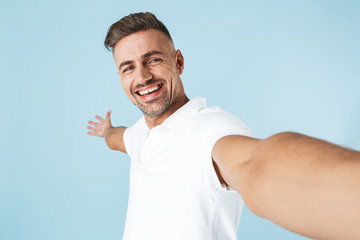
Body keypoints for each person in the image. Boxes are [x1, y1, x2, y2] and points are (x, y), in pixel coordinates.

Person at [87, 12, 360, 240]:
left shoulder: (211, 130)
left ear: (178, 62)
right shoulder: (140, 134)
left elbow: (257, 165)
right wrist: (106, 131)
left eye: (153, 60)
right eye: (128, 68)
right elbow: (119, 138)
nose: (143, 77)